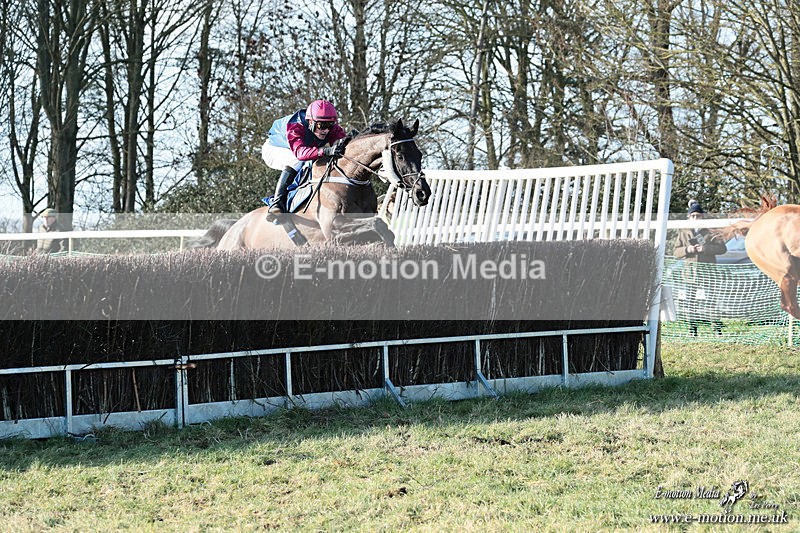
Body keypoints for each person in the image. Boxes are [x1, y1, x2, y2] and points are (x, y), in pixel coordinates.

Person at [261, 100, 349, 218]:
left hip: (299, 150)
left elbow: (341, 142)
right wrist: (326, 151)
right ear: (310, 122)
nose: (326, 130)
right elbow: (300, 153)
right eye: (321, 126)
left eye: (330, 125)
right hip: (274, 149)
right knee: (296, 161)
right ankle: (277, 203)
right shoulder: (295, 126)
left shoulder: (328, 125)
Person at [673, 200, 727, 336]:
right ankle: (693, 329)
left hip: (708, 272)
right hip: (689, 273)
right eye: (693, 216)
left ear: (703, 216)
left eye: (698, 215)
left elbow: (722, 248)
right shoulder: (683, 232)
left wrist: (705, 248)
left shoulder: (711, 231)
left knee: (711, 301)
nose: (696, 218)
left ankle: (716, 329)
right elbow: (675, 252)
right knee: (690, 303)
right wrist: (687, 249)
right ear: (688, 217)